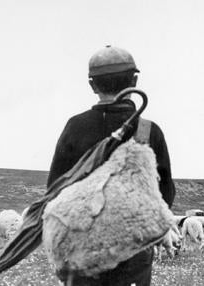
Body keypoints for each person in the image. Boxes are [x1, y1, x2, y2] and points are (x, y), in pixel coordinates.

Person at [47, 45, 176, 286]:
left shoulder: (75, 127)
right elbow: (165, 194)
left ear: (92, 85)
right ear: (134, 80)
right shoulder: (148, 131)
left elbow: (55, 190)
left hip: (82, 253)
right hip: (132, 256)